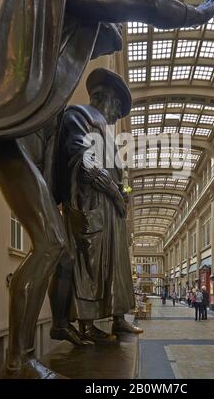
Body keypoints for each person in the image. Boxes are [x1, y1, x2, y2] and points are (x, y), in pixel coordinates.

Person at [0, 0, 214, 378]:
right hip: (6, 130)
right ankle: (20, 358)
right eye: (103, 37)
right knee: (53, 245)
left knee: (50, 243)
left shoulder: (47, 29)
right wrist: (192, 15)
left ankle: (18, 359)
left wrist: (119, 191)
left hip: (7, 134)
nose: (97, 44)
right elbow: (140, 1)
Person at [56, 67, 142, 343]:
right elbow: (83, 160)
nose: (117, 115)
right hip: (90, 205)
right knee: (89, 267)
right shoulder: (78, 116)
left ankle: (118, 319)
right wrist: (115, 193)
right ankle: (87, 325)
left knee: (115, 266)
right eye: (117, 108)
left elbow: (117, 176)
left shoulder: (105, 132)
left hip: (110, 211)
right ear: (105, 98)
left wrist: (122, 193)